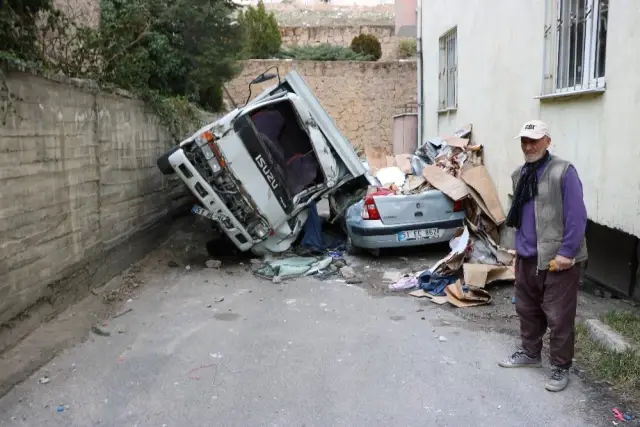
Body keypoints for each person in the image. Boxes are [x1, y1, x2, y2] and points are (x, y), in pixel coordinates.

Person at [498, 120, 588, 393]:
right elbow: (518, 217)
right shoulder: (520, 174)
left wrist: (566, 252)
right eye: (524, 141)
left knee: (559, 316)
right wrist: (514, 249)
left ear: (547, 141)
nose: (528, 146)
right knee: (527, 310)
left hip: (556, 260)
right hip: (527, 258)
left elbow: (576, 216)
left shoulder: (563, 171)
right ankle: (530, 354)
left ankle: (561, 366)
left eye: (534, 140)